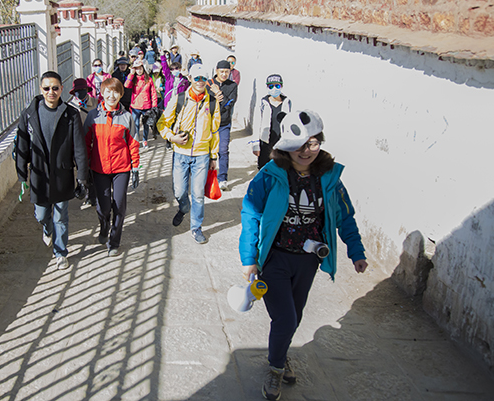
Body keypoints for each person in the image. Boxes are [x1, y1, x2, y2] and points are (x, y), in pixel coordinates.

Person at [238, 109, 369, 400]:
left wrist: (356, 251)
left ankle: (280, 354)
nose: (306, 151)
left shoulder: (330, 178)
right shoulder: (269, 176)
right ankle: (276, 368)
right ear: (287, 145)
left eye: (313, 143)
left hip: (308, 261)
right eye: (299, 144)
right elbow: (251, 213)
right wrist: (249, 258)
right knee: (285, 319)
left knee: (294, 317)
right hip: (275, 259)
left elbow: (345, 216)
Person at [15, 71, 89, 270]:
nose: (51, 92)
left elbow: (79, 147)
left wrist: (82, 177)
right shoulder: (29, 114)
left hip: (62, 173)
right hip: (39, 174)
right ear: (41, 89)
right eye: (47, 88)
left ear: (61, 89)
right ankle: (47, 229)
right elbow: (22, 145)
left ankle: (61, 253)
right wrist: (22, 175)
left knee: (60, 215)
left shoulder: (70, 114)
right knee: (41, 215)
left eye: (55, 88)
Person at [157, 63, 221, 244]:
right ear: (190, 78)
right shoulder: (179, 99)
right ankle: (184, 207)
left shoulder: (212, 102)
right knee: (179, 191)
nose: (200, 81)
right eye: (196, 78)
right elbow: (162, 123)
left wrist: (213, 156)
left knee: (198, 193)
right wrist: (172, 137)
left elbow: (215, 131)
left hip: (202, 155)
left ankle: (196, 227)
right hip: (181, 153)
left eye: (203, 78)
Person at [84, 78, 140, 257]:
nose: (111, 95)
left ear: (121, 94)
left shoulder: (126, 117)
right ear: (101, 93)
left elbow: (133, 143)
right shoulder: (93, 116)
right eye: (108, 91)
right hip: (99, 168)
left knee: (119, 205)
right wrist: (84, 167)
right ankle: (104, 225)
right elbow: (85, 143)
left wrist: (135, 167)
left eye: (116, 92)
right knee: (104, 207)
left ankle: (114, 241)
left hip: (121, 168)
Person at [67, 78, 99, 207]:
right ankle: (85, 191)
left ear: (87, 90)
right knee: (82, 169)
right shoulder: (70, 107)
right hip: (78, 144)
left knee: (93, 169)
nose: (80, 92)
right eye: (78, 90)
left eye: (82, 90)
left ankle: (93, 195)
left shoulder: (96, 103)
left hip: (93, 141)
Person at [208, 60, 238, 192]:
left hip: (224, 123)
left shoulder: (232, 85)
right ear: (216, 71)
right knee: (207, 150)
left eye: (227, 72)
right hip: (208, 123)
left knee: (223, 150)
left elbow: (229, 104)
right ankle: (207, 176)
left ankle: (222, 179)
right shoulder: (208, 84)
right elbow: (207, 103)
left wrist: (218, 93)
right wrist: (215, 96)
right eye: (222, 72)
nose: (224, 74)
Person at [253, 74, 292, 170]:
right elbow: (257, 123)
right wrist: (255, 145)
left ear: (281, 86)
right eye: (271, 86)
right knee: (264, 168)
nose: (274, 89)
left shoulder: (287, 102)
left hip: (281, 141)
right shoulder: (263, 103)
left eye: (277, 86)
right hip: (266, 141)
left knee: (280, 167)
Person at [125, 59, 157, 148]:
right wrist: (131, 74)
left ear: (143, 68)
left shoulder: (149, 79)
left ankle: (145, 140)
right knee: (135, 125)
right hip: (135, 106)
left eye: (140, 68)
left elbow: (153, 92)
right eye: (136, 68)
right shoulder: (133, 79)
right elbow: (126, 85)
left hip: (146, 105)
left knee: (146, 124)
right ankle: (136, 140)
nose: (138, 70)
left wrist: (154, 105)